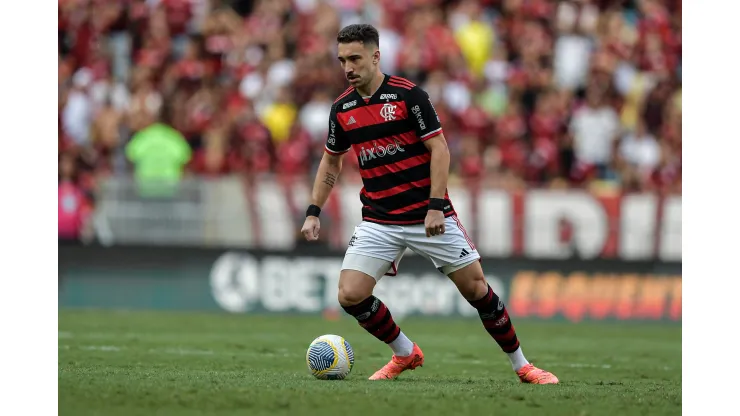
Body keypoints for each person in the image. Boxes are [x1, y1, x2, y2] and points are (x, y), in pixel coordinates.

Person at [300, 24, 558, 384]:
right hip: (379, 219)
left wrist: (435, 205)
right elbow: (331, 161)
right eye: (342, 60)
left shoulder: (409, 97)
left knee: (476, 290)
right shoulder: (342, 109)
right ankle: (405, 353)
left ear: (376, 56)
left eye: (355, 58)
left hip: (427, 214)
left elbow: (440, 149)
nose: (348, 67)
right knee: (350, 295)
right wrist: (314, 211)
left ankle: (523, 365)